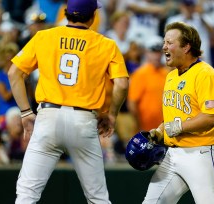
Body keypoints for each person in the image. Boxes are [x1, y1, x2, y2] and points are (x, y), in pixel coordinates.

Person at [8, 0, 129, 203]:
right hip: (83, 120)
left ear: (66, 13)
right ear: (92, 16)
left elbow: (14, 73)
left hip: (48, 117)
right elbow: (122, 85)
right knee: (97, 197)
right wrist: (112, 114)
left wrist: (26, 112)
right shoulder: (106, 44)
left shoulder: (44, 36)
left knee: (27, 194)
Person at [143, 21, 214, 204]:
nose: (164, 46)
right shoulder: (171, 75)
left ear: (186, 46)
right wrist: (159, 132)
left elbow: (212, 116)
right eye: (165, 42)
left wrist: (177, 127)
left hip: (201, 153)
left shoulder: (206, 74)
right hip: (173, 155)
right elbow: (174, 118)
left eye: (170, 42)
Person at [127, 35, 170, 132]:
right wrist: (139, 126)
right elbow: (132, 104)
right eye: (153, 52)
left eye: (159, 52)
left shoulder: (168, 73)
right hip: (146, 129)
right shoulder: (140, 74)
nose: (156, 56)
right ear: (147, 53)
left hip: (165, 129)